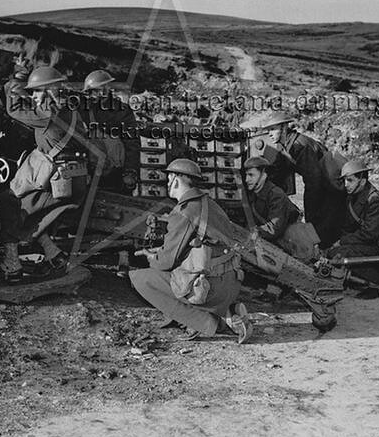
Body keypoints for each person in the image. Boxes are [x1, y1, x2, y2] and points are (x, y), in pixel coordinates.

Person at [129, 159, 252, 344]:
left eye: (169, 179)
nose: (168, 183)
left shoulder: (183, 211)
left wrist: (151, 257)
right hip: (232, 281)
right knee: (179, 274)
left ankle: (211, 322)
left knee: (140, 279)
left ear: (175, 180)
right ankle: (229, 312)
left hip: (210, 288)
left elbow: (166, 262)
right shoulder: (210, 203)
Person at [0, 64, 89, 280]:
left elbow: (14, 109)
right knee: (34, 213)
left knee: (9, 204)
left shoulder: (47, 114)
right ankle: (54, 255)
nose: (35, 95)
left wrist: (14, 82)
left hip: (59, 181)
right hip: (76, 178)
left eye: (38, 90)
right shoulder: (70, 110)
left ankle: (12, 265)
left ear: (50, 90)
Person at [253, 114, 346, 247]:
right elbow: (281, 169)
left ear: (284, 128)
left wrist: (310, 216)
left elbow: (314, 183)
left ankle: (325, 250)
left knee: (325, 224)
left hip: (331, 185)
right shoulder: (287, 145)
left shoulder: (300, 145)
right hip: (323, 184)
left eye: (273, 130)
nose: (270, 134)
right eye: (268, 131)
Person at [327, 159, 379, 299]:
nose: (346, 185)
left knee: (341, 254)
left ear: (362, 181)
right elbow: (348, 226)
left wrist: (342, 242)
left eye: (350, 180)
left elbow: (370, 234)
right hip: (373, 244)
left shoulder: (375, 200)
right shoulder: (354, 196)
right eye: (345, 181)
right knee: (333, 252)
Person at [82, 69, 139, 193]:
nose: (98, 94)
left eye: (101, 89)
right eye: (93, 91)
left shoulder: (122, 110)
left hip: (115, 172)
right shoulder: (84, 109)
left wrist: (130, 171)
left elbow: (132, 142)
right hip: (91, 171)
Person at [243, 156, 301, 249]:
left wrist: (255, 232)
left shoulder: (276, 195)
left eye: (251, 175)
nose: (246, 180)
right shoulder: (255, 194)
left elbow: (274, 228)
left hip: (293, 244)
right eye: (246, 175)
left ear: (264, 175)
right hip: (276, 241)